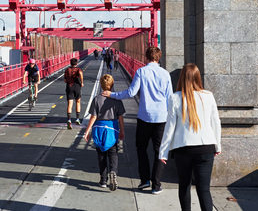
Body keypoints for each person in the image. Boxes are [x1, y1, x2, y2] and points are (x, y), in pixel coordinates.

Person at [102, 46, 173, 194]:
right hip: (161, 118)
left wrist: (112, 95)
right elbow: (170, 98)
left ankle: (145, 179)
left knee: (141, 148)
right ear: (159, 57)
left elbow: (131, 92)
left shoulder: (141, 71)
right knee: (159, 151)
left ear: (146, 57)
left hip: (144, 117)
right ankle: (156, 184)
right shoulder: (166, 74)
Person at [159, 63, 221, 211]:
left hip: (183, 148)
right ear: (198, 77)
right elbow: (216, 123)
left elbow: (170, 128)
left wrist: (164, 151)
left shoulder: (175, 98)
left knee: (184, 186)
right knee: (204, 189)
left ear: (181, 78)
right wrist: (217, 145)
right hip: (206, 146)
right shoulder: (208, 96)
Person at [84, 74, 125, 191]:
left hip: (99, 129)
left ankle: (103, 180)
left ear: (101, 85)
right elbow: (120, 118)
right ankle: (113, 171)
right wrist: (122, 130)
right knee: (113, 153)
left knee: (101, 155)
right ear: (112, 84)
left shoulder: (97, 99)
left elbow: (93, 116)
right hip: (112, 129)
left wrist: (87, 131)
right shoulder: (116, 100)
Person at [64, 58, 84, 129]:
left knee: (70, 104)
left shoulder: (67, 70)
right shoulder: (78, 69)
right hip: (77, 87)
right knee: (78, 102)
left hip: (69, 87)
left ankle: (69, 120)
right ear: (77, 63)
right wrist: (82, 82)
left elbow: (65, 80)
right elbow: (81, 74)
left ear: (70, 63)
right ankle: (77, 119)